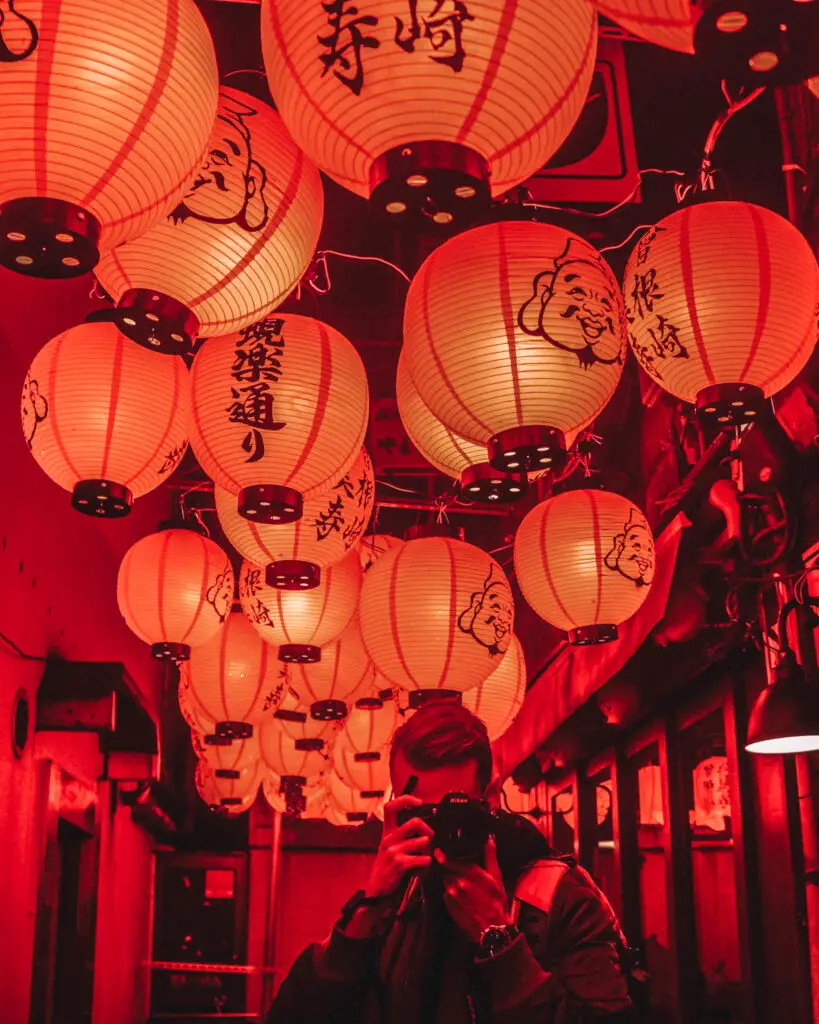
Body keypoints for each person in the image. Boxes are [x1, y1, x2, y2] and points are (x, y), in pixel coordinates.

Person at [267, 700, 634, 1023]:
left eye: (453, 809)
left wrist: (500, 943)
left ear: (490, 798)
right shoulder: (401, 895)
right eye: (425, 812)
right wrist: (366, 910)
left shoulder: (557, 896)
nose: (442, 830)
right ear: (396, 803)